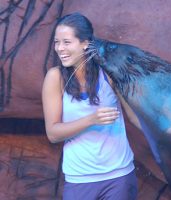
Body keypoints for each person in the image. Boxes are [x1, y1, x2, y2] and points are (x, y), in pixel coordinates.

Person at [42, 12, 137, 200]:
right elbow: (53, 134)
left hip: (119, 176)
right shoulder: (55, 78)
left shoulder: (109, 73)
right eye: (56, 42)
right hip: (79, 179)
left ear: (85, 43)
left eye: (67, 42)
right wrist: (90, 120)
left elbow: (135, 116)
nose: (60, 48)